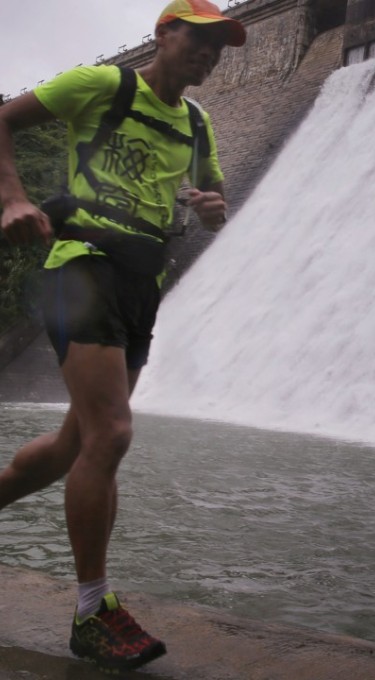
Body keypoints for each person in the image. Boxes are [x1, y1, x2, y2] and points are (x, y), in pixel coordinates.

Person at [0, 0, 245, 672]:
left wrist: (214, 209)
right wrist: (14, 199)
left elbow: (216, 208)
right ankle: (93, 612)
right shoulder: (102, 86)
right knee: (112, 434)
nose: (210, 54)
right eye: (200, 39)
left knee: (74, 444)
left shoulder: (196, 123)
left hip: (142, 283)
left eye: (219, 47)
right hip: (81, 266)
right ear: (165, 34)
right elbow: (4, 120)